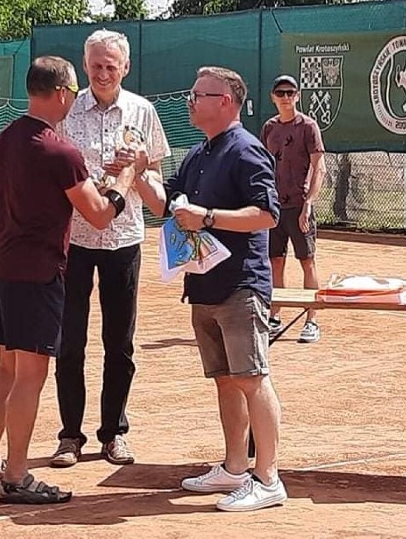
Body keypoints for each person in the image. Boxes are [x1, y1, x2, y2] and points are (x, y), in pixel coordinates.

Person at [0, 56, 137, 505]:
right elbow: (101, 216)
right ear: (63, 93)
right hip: (36, 272)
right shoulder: (60, 150)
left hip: (0, 263)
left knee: (5, 369)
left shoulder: (5, 139)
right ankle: (18, 476)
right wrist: (126, 177)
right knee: (31, 376)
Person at [135, 66, 287, 512]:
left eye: (199, 94)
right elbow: (167, 204)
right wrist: (140, 173)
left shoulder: (246, 150)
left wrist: (207, 217)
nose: (191, 100)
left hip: (241, 285)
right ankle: (235, 468)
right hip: (204, 284)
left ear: (225, 101)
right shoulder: (199, 153)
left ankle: (268, 478)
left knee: (252, 378)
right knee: (225, 381)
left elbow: (268, 214)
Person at [50, 29, 170, 468]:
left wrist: (136, 173)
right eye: (96, 64)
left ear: (126, 67)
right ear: (85, 65)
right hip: (74, 241)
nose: (103, 73)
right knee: (69, 343)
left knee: (119, 343)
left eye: (111, 66)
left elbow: (155, 175)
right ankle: (69, 436)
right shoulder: (66, 110)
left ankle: (114, 433)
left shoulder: (143, 111)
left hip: (124, 240)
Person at [260, 75, 326, 344]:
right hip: (275, 207)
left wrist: (308, 204)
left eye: (290, 92)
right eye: (280, 93)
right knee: (275, 261)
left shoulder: (308, 127)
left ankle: (312, 320)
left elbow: (319, 167)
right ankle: (275, 316)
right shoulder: (269, 128)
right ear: (273, 98)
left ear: (297, 96)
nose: (286, 97)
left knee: (307, 261)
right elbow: (263, 164)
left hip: (299, 206)